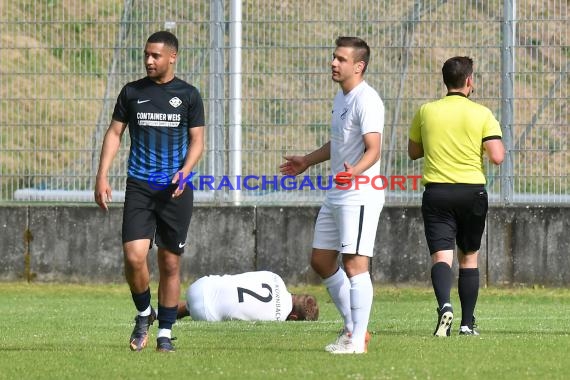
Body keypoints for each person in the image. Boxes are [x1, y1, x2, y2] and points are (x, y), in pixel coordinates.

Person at [94, 31, 205, 352]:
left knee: (170, 263)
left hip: (175, 189)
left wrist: (185, 171)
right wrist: (102, 175)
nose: (148, 61)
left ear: (172, 57)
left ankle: (165, 335)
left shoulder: (188, 95)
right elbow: (115, 132)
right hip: (140, 185)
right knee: (134, 255)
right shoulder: (131, 92)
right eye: (146, 55)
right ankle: (144, 313)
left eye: (155, 55)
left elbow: (198, 139)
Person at [280, 37, 384, 354]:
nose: (333, 63)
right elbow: (338, 144)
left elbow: (374, 149)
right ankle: (354, 329)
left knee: (355, 265)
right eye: (333, 57)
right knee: (322, 260)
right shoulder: (342, 99)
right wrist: (307, 161)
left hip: (360, 193)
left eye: (340, 59)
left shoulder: (368, 100)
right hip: (337, 192)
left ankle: (357, 341)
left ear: (358, 65)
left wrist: (355, 172)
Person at [408, 56, 505, 337]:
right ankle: (466, 323)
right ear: (469, 81)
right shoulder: (483, 114)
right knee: (469, 258)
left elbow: (414, 152)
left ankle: (444, 307)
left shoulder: (426, 111)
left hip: (437, 192)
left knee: (441, 256)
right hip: (471, 192)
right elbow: (497, 157)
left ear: (445, 80)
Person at [175, 271, 319, 322]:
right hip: (205, 314)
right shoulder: (278, 319)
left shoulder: (275, 277)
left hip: (201, 285)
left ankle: (160, 312)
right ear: (294, 317)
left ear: (297, 295)